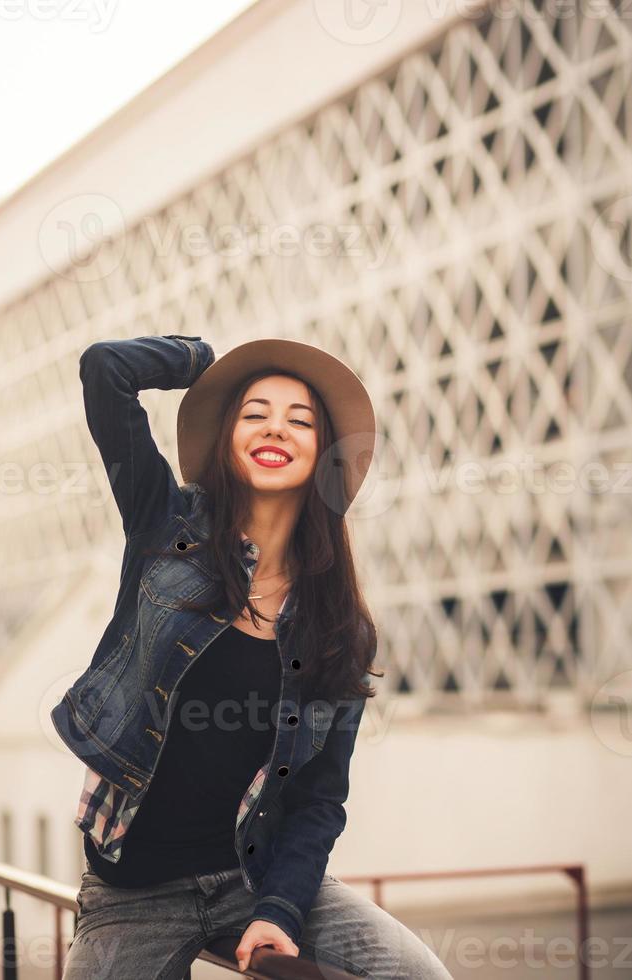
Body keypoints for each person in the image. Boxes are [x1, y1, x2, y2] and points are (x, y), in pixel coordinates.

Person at [54, 334, 454, 979]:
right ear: (228, 438)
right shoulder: (166, 528)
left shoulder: (341, 625)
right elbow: (105, 368)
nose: (276, 428)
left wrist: (281, 910)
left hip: (255, 877)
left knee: (418, 973)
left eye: (300, 421)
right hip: (134, 893)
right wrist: (206, 366)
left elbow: (320, 800)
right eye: (254, 413)